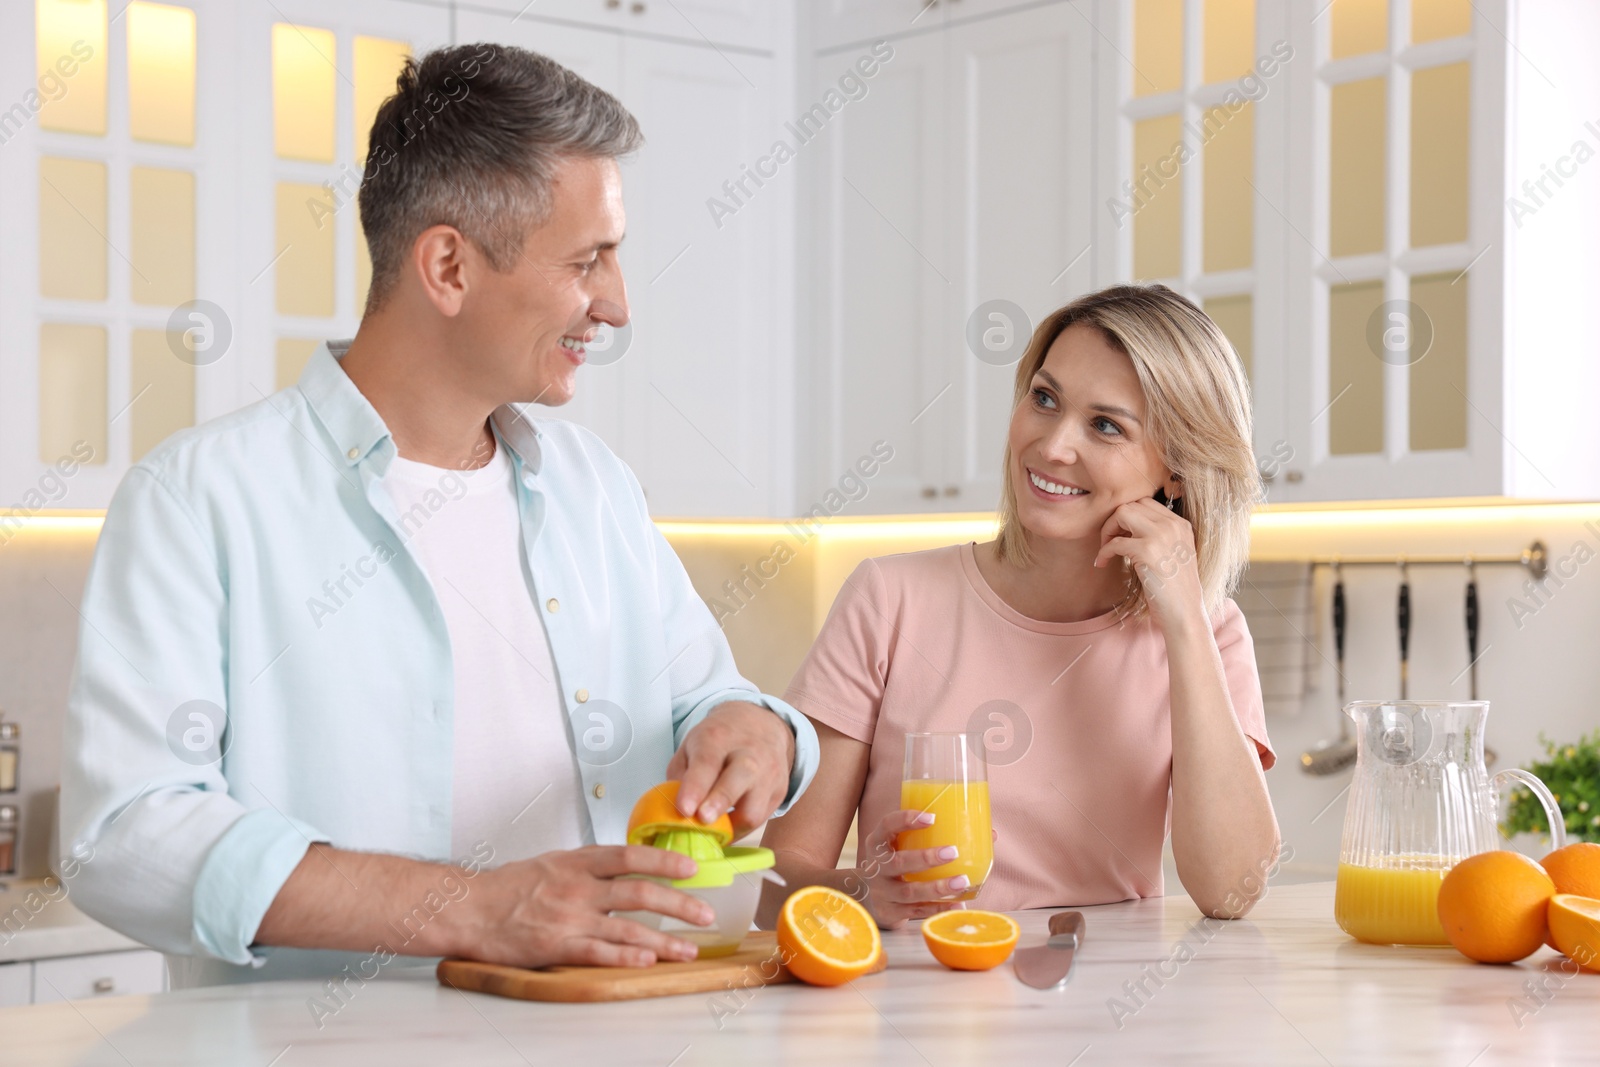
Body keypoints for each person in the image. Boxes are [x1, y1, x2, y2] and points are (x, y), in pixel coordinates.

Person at [58, 44, 817, 987]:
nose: (617, 306)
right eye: (589, 260)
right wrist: (476, 908)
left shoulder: (595, 487)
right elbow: (123, 833)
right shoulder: (201, 500)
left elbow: (709, 699)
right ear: (449, 266)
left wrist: (761, 731)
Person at [760, 284, 1279, 929]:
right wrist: (867, 894)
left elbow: (1231, 891)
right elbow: (775, 884)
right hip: (923, 1005)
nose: (1054, 445)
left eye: (1106, 425)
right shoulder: (889, 601)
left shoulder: (1210, 634)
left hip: (1116, 1009)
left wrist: (1183, 617)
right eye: (1044, 398)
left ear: (1176, 467)